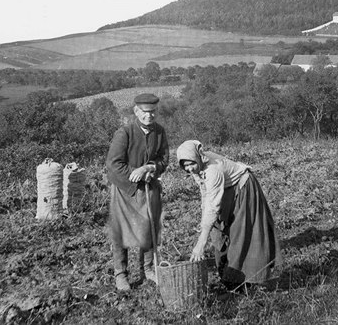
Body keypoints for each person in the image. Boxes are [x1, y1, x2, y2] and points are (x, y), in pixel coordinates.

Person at [176, 140, 280, 289]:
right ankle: (229, 276)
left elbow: (213, 204)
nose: (189, 168)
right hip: (228, 189)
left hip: (243, 187)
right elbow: (205, 194)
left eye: (191, 163)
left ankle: (246, 279)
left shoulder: (213, 170)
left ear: (197, 158)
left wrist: (201, 242)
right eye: (185, 165)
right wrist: (204, 222)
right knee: (219, 228)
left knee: (240, 232)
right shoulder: (198, 167)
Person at [105, 93, 169, 291]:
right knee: (121, 231)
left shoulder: (159, 132)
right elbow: (113, 165)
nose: (149, 116)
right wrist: (136, 173)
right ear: (136, 111)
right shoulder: (124, 133)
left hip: (149, 189)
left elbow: (163, 160)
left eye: (153, 112)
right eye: (145, 112)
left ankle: (148, 269)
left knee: (149, 228)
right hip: (125, 190)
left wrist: (149, 168)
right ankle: (121, 274)